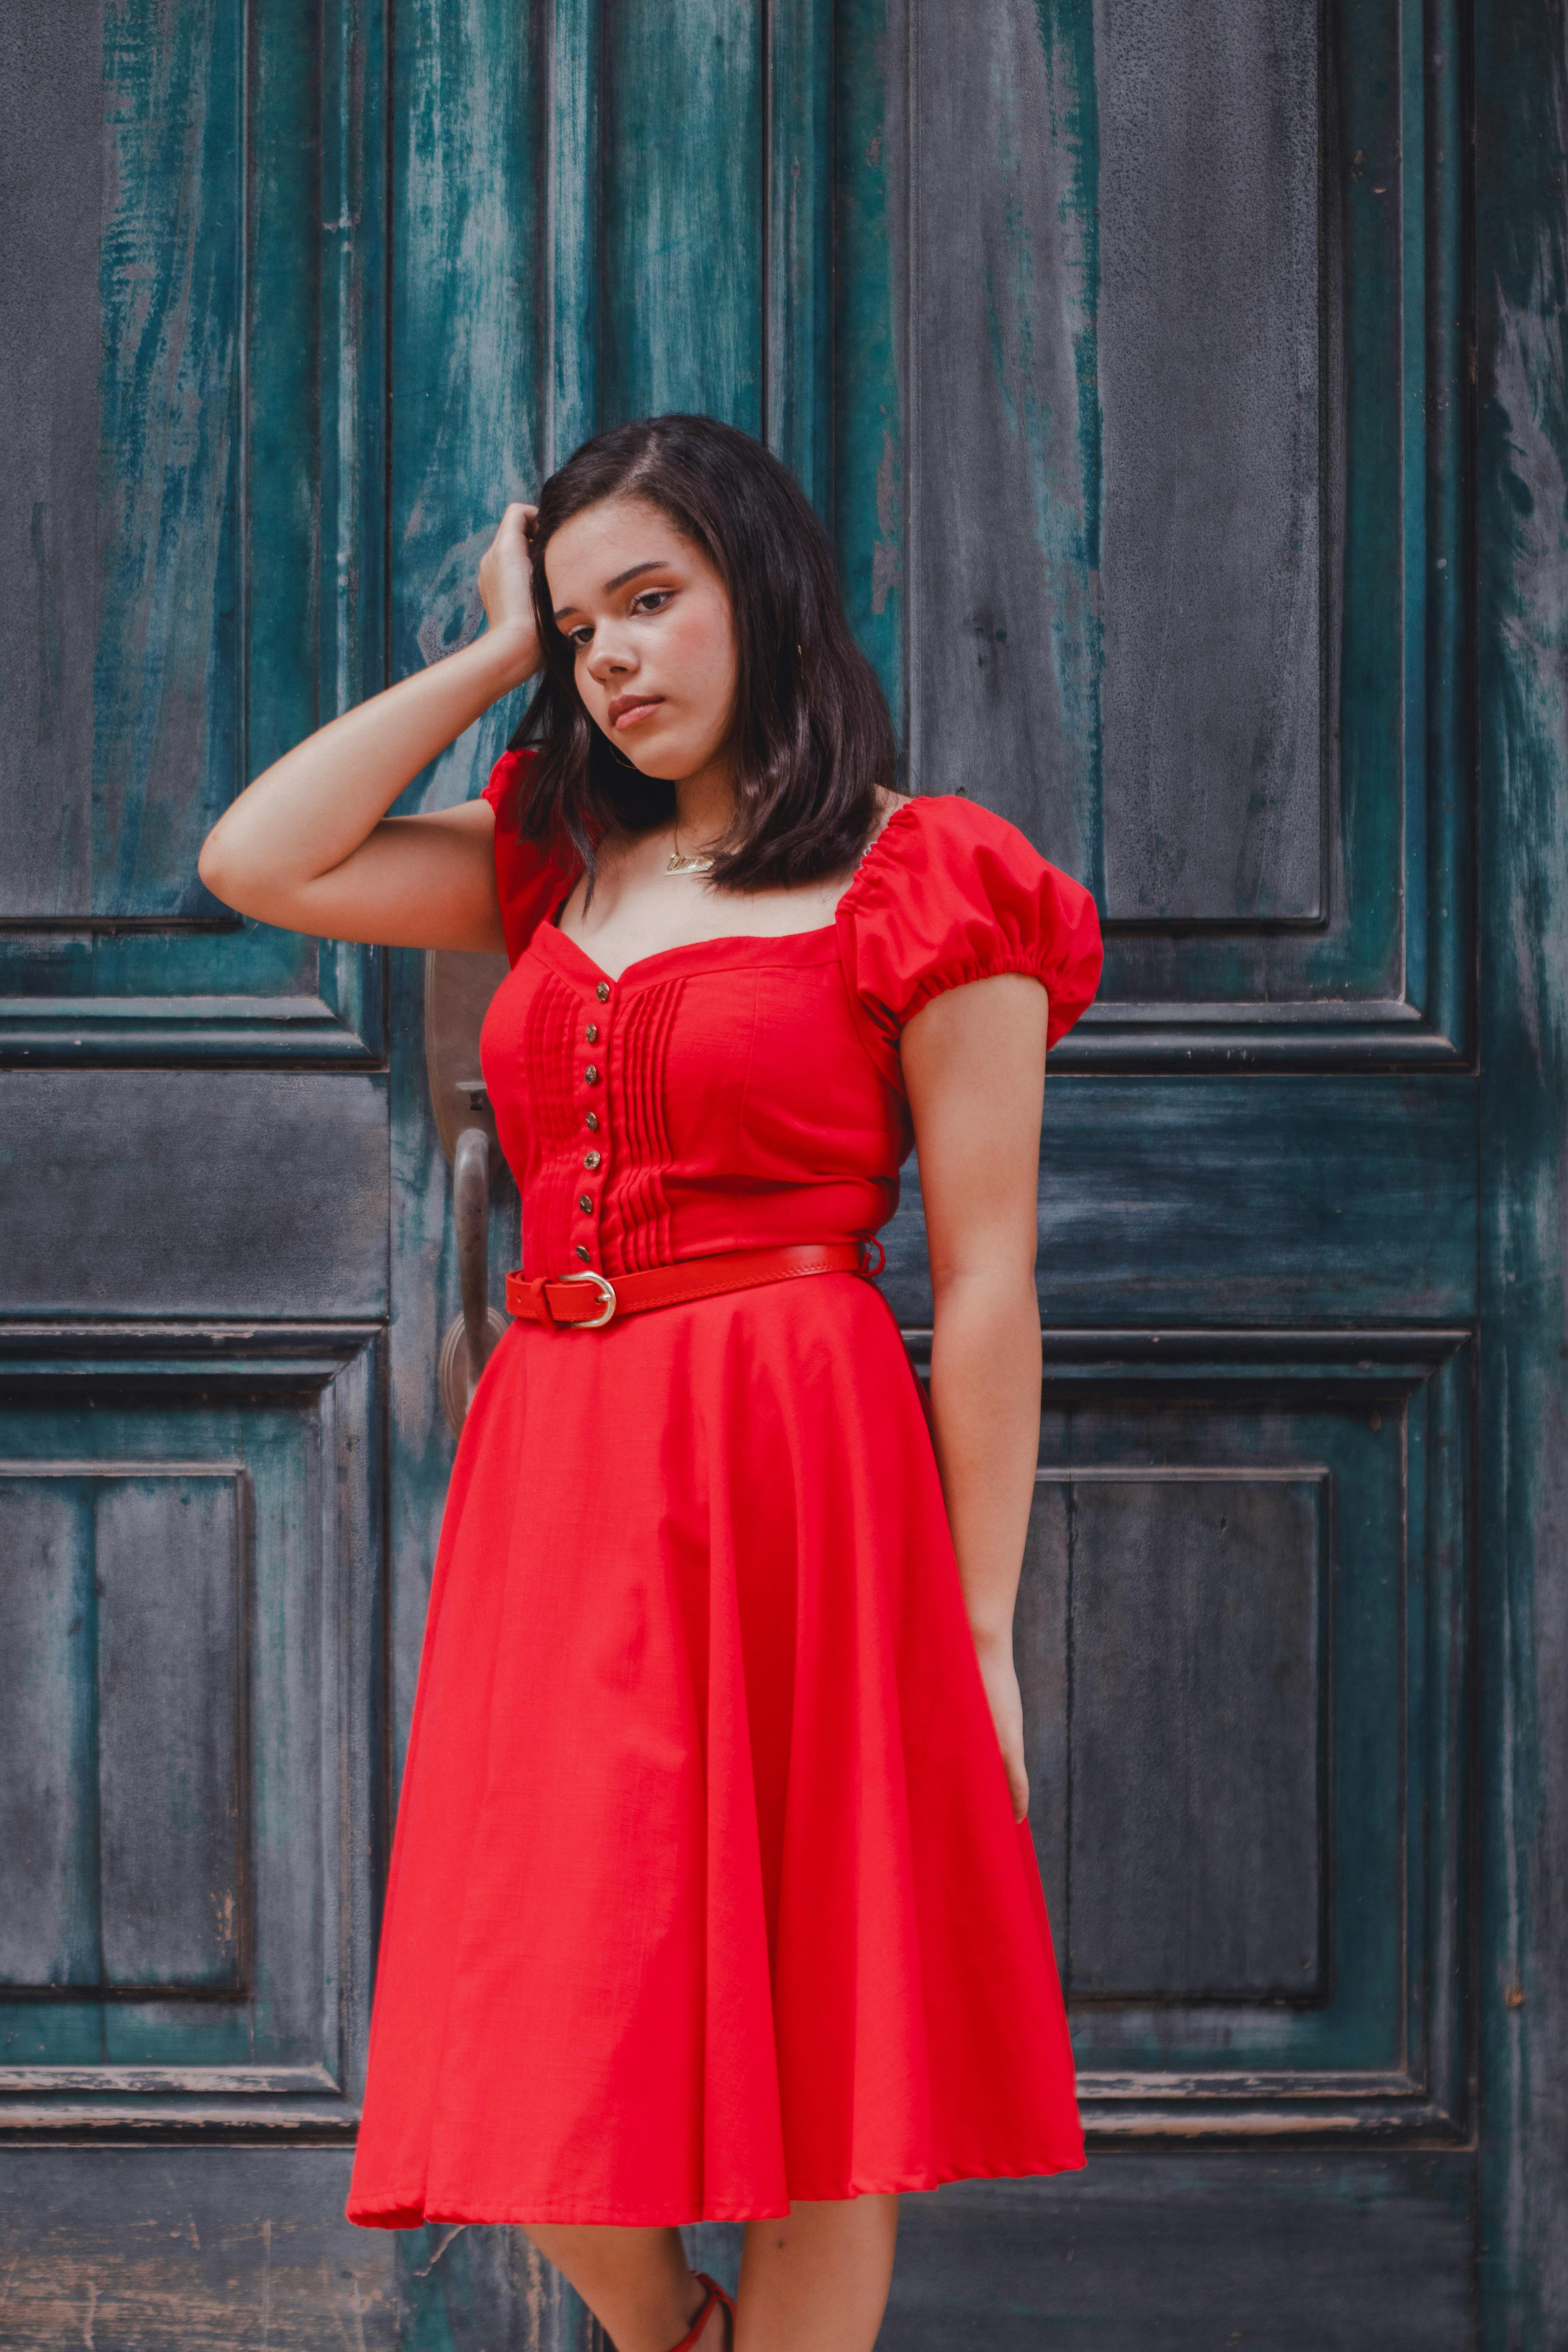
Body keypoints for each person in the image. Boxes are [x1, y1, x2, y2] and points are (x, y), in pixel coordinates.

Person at [197, 413, 1101, 2352]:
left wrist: (984, 1623)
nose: (614, 654)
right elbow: (256, 857)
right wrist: (488, 659)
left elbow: (992, 1269)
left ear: (760, 594)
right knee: (529, 1993)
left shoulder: (933, 877)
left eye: (650, 600)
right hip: (561, 1457)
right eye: (579, 618)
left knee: (834, 2029)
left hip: (802, 1444)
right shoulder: (551, 858)